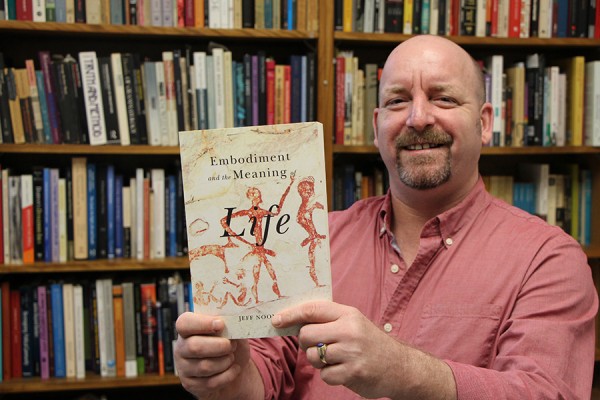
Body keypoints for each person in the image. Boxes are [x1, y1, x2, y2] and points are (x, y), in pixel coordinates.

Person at [173, 35, 598, 399]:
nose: (417, 118)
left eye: (443, 98)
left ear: (484, 123)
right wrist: (228, 377)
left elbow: (545, 392)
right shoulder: (314, 239)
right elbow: (267, 376)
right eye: (398, 101)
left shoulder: (548, 259)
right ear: (377, 127)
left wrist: (403, 370)